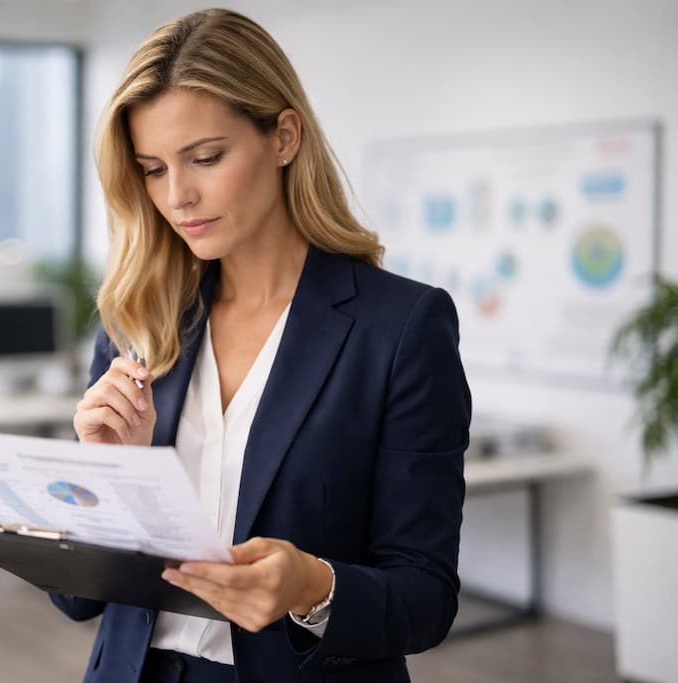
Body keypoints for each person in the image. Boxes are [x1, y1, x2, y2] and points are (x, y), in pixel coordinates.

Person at [51, 8, 471, 683]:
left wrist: (314, 586)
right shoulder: (138, 318)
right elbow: (75, 598)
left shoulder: (400, 328)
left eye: (206, 157)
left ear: (283, 136)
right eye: (153, 169)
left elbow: (426, 596)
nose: (178, 196)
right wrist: (108, 478)